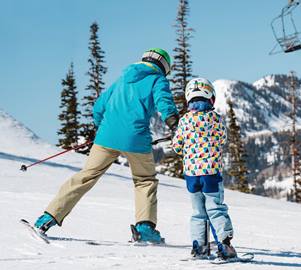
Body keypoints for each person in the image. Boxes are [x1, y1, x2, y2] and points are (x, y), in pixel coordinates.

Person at [33, 48, 179, 243]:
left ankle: (47, 218)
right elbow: (164, 102)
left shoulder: (122, 78)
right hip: (136, 139)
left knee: (85, 177)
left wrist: (103, 128)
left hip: (105, 137)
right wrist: (175, 124)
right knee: (145, 180)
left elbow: (99, 106)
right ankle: (144, 229)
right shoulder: (157, 79)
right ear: (164, 66)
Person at [172, 77, 237, 259]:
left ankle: (198, 247)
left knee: (198, 212)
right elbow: (223, 139)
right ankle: (224, 245)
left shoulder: (184, 121)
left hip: (192, 176)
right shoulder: (215, 119)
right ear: (211, 99)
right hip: (211, 174)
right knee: (215, 208)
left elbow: (177, 146)